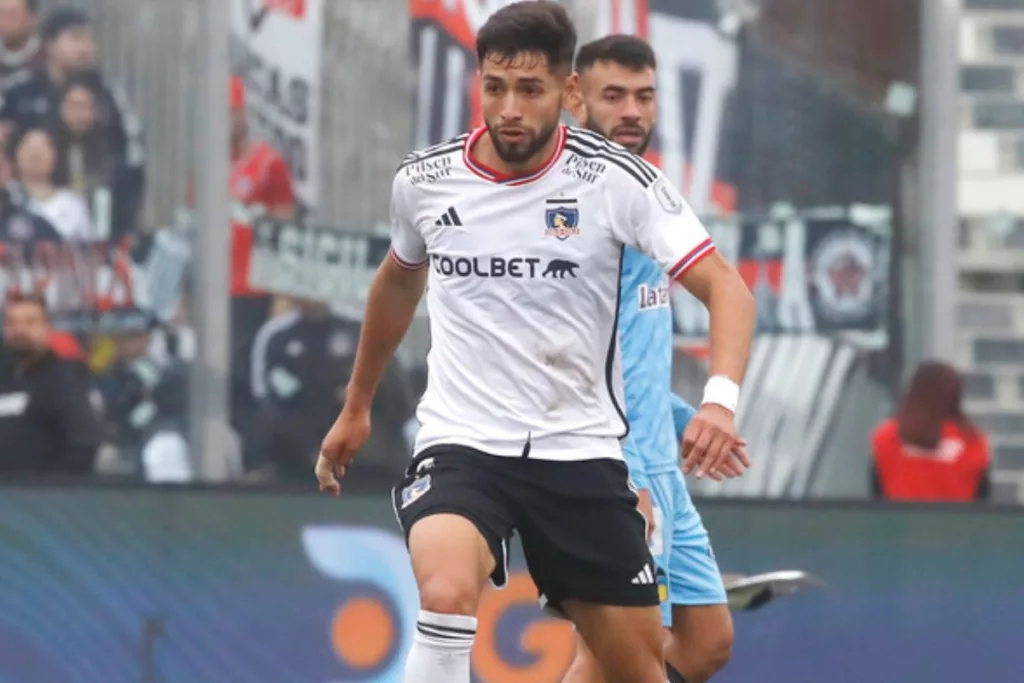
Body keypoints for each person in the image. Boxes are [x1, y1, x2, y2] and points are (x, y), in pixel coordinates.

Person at [316, 3, 755, 683]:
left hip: (578, 452)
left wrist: (719, 402)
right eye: (495, 87)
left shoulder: (618, 182)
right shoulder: (424, 181)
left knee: (643, 666)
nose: (510, 109)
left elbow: (726, 287)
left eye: (529, 89)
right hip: (463, 443)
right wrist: (357, 405)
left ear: (566, 92)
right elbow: (399, 282)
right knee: (445, 592)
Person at [562, 35, 741, 683]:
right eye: (614, 96)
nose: (633, 111)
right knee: (614, 654)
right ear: (575, 96)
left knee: (706, 642)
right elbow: (570, 359)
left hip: (657, 456)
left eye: (645, 96)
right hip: (612, 463)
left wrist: (686, 417)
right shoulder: (570, 204)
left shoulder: (646, 190)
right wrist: (619, 471)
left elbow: (629, 353)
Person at [0, 291, 101, 475]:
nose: (19, 330)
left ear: (47, 328)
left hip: (44, 488)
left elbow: (82, 447)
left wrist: (48, 487)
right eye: (11, 323)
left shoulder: (66, 379)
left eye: (30, 322)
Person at [872, 360, 990, 502]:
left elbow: (877, 498)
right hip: (955, 516)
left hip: (898, 516)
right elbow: (981, 503)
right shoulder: (973, 443)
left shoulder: (887, 437)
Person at [6, 125, 94, 240]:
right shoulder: (7, 199)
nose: (36, 155)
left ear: (54, 155)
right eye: (29, 149)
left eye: (42, 149)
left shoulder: (74, 204)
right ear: (16, 156)